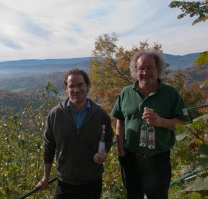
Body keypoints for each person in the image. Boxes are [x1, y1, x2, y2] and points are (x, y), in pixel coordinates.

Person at [111, 49, 188, 199]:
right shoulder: (126, 93)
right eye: (141, 69)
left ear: (158, 69)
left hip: (158, 159)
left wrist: (160, 121)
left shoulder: (170, 93)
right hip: (130, 157)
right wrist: (121, 151)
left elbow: (184, 123)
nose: (145, 73)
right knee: (133, 196)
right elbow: (120, 120)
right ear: (135, 71)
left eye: (149, 68)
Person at [36, 68, 114, 199]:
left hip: (92, 181)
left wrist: (104, 152)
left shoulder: (100, 115)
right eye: (71, 86)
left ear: (88, 87)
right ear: (66, 89)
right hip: (65, 182)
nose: (76, 90)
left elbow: (108, 138)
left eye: (80, 84)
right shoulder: (55, 115)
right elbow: (49, 147)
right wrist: (45, 178)